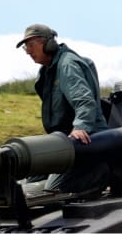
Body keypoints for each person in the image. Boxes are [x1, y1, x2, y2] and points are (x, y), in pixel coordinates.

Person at [16, 23, 110, 195]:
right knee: (30, 178)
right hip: (63, 142)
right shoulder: (48, 70)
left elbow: (84, 101)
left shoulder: (67, 65)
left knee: (53, 191)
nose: (28, 51)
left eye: (31, 45)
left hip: (85, 142)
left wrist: (81, 127)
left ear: (47, 43)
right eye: (25, 47)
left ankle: (100, 174)